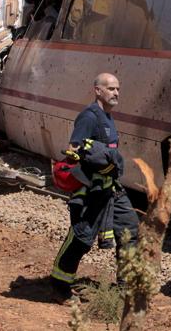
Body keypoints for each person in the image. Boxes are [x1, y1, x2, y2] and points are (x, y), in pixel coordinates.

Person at [50, 73, 139, 302]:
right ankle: (60, 283)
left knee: (130, 228)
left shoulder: (108, 118)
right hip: (91, 190)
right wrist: (99, 162)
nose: (116, 93)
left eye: (118, 89)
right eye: (110, 88)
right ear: (97, 90)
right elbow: (73, 149)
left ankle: (125, 288)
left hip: (111, 188)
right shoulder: (89, 117)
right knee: (82, 237)